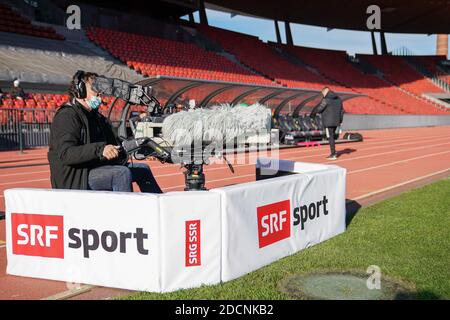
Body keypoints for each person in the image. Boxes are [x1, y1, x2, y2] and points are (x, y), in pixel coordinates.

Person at [47, 71, 162, 193]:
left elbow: (114, 144)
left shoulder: (97, 117)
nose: (100, 97)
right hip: (77, 177)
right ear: (81, 91)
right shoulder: (67, 115)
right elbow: (66, 154)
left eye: (101, 93)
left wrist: (134, 144)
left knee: (143, 170)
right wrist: (101, 150)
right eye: (96, 92)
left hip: (96, 167)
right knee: (121, 173)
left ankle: (159, 207)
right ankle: (125, 211)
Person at [310, 87, 345, 160]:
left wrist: (312, 115)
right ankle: (333, 152)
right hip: (336, 121)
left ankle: (333, 154)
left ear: (325, 92)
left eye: (323, 93)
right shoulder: (339, 99)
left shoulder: (326, 99)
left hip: (328, 122)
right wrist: (340, 120)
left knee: (330, 137)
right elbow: (342, 111)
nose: (323, 95)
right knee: (332, 137)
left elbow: (319, 108)